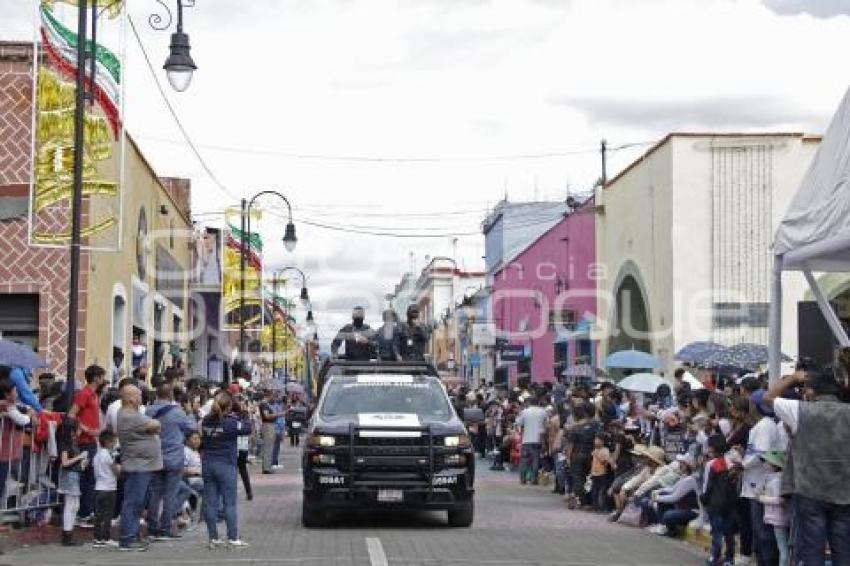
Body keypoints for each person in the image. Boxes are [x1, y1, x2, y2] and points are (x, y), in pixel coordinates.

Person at [764, 369, 850, 566]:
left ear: (811, 391)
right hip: (845, 495)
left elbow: (768, 397)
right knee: (844, 551)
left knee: (812, 551)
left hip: (810, 492)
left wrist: (793, 378)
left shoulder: (799, 410)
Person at [200, 390, 252, 549]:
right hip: (226, 465)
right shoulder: (231, 422)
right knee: (229, 503)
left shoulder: (206, 421)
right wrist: (243, 413)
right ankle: (233, 537)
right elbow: (247, 428)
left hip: (208, 464)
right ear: (229, 406)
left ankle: (213, 538)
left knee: (211, 503)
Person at [145, 382, 196, 541]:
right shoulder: (177, 412)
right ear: (171, 396)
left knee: (156, 493)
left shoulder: (148, 411)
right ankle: (165, 528)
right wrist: (190, 412)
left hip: (155, 456)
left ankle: (152, 528)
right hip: (173, 458)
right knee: (170, 495)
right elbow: (192, 427)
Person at [117, 384, 162, 552]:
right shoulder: (129, 416)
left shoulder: (133, 414)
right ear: (130, 398)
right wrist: (155, 423)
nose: (141, 398)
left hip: (142, 465)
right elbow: (155, 425)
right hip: (138, 466)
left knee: (138, 503)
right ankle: (127, 538)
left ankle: (133, 535)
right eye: (138, 395)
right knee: (133, 502)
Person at [740, 390, 781, 566]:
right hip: (756, 482)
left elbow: (761, 453)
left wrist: (743, 464)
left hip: (758, 483)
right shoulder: (764, 424)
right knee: (759, 531)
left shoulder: (764, 425)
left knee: (762, 532)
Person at [68, 364, 107, 525]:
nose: (104, 379)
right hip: (84, 442)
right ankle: (84, 512)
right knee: (86, 478)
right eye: (102, 376)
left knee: (90, 477)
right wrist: (86, 429)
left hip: (91, 441)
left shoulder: (94, 395)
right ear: (96, 377)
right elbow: (72, 414)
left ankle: (87, 511)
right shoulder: (84, 393)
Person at [701, 434, 738, 566]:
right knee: (729, 533)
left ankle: (715, 557)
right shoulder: (733, 462)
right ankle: (729, 559)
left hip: (715, 504)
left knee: (716, 532)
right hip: (731, 503)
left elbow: (708, 485)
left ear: (713, 448)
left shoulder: (712, 464)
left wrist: (704, 500)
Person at [57, 416, 88, 547]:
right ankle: (67, 535)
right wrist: (79, 457)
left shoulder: (73, 443)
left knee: (75, 505)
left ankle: (69, 533)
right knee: (71, 505)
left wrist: (82, 463)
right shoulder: (66, 444)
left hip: (74, 474)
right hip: (69, 476)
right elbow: (64, 462)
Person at [757, 450, 789, 566]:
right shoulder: (775, 478)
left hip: (778, 519)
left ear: (774, 465)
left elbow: (780, 500)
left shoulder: (777, 480)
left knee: (783, 549)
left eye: (766, 462)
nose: (764, 464)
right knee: (782, 548)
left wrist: (761, 498)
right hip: (777, 518)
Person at [92, 430, 120, 548]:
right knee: (107, 515)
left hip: (98, 487)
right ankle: (106, 538)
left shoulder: (97, 455)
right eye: (113, 442)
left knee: (98, 515)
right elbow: (115, 471)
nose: (114, 444)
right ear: (108, 442)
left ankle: (97, 538)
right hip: (109, 488)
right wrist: (119, 469)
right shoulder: (108, 455)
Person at [515, 396, 548, 485]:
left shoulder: (525, 412)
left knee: (524, 460)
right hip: (538, 439)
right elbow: (546, 424)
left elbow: (518, 422)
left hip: (527, 439)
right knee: (535, 460)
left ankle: (523, 479)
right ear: (538, 402)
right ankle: (534, 480)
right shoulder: (543, 412)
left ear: (529, 402)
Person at [259, 390, 285, 474]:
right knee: (268, 447)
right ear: (269, 395)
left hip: (270, 425)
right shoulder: (264, 405)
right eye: (274, 396)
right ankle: (266, 468)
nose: (274, 399)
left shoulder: (266, 405)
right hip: (268, 426)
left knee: (270, 446)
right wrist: (278, 414)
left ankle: (267, 466)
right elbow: (267, 416)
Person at [589, 432, 614, 511]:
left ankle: (602, 506)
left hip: (602, 473)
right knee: (594, 490)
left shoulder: (605, 450)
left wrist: (597, 455)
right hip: (594, 473)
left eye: (597, 440)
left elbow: (605, 461)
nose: (595, 441)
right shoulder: (595, 450)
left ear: (602, 441)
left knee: (602, 491)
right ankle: (594, 506)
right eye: (595, 439)